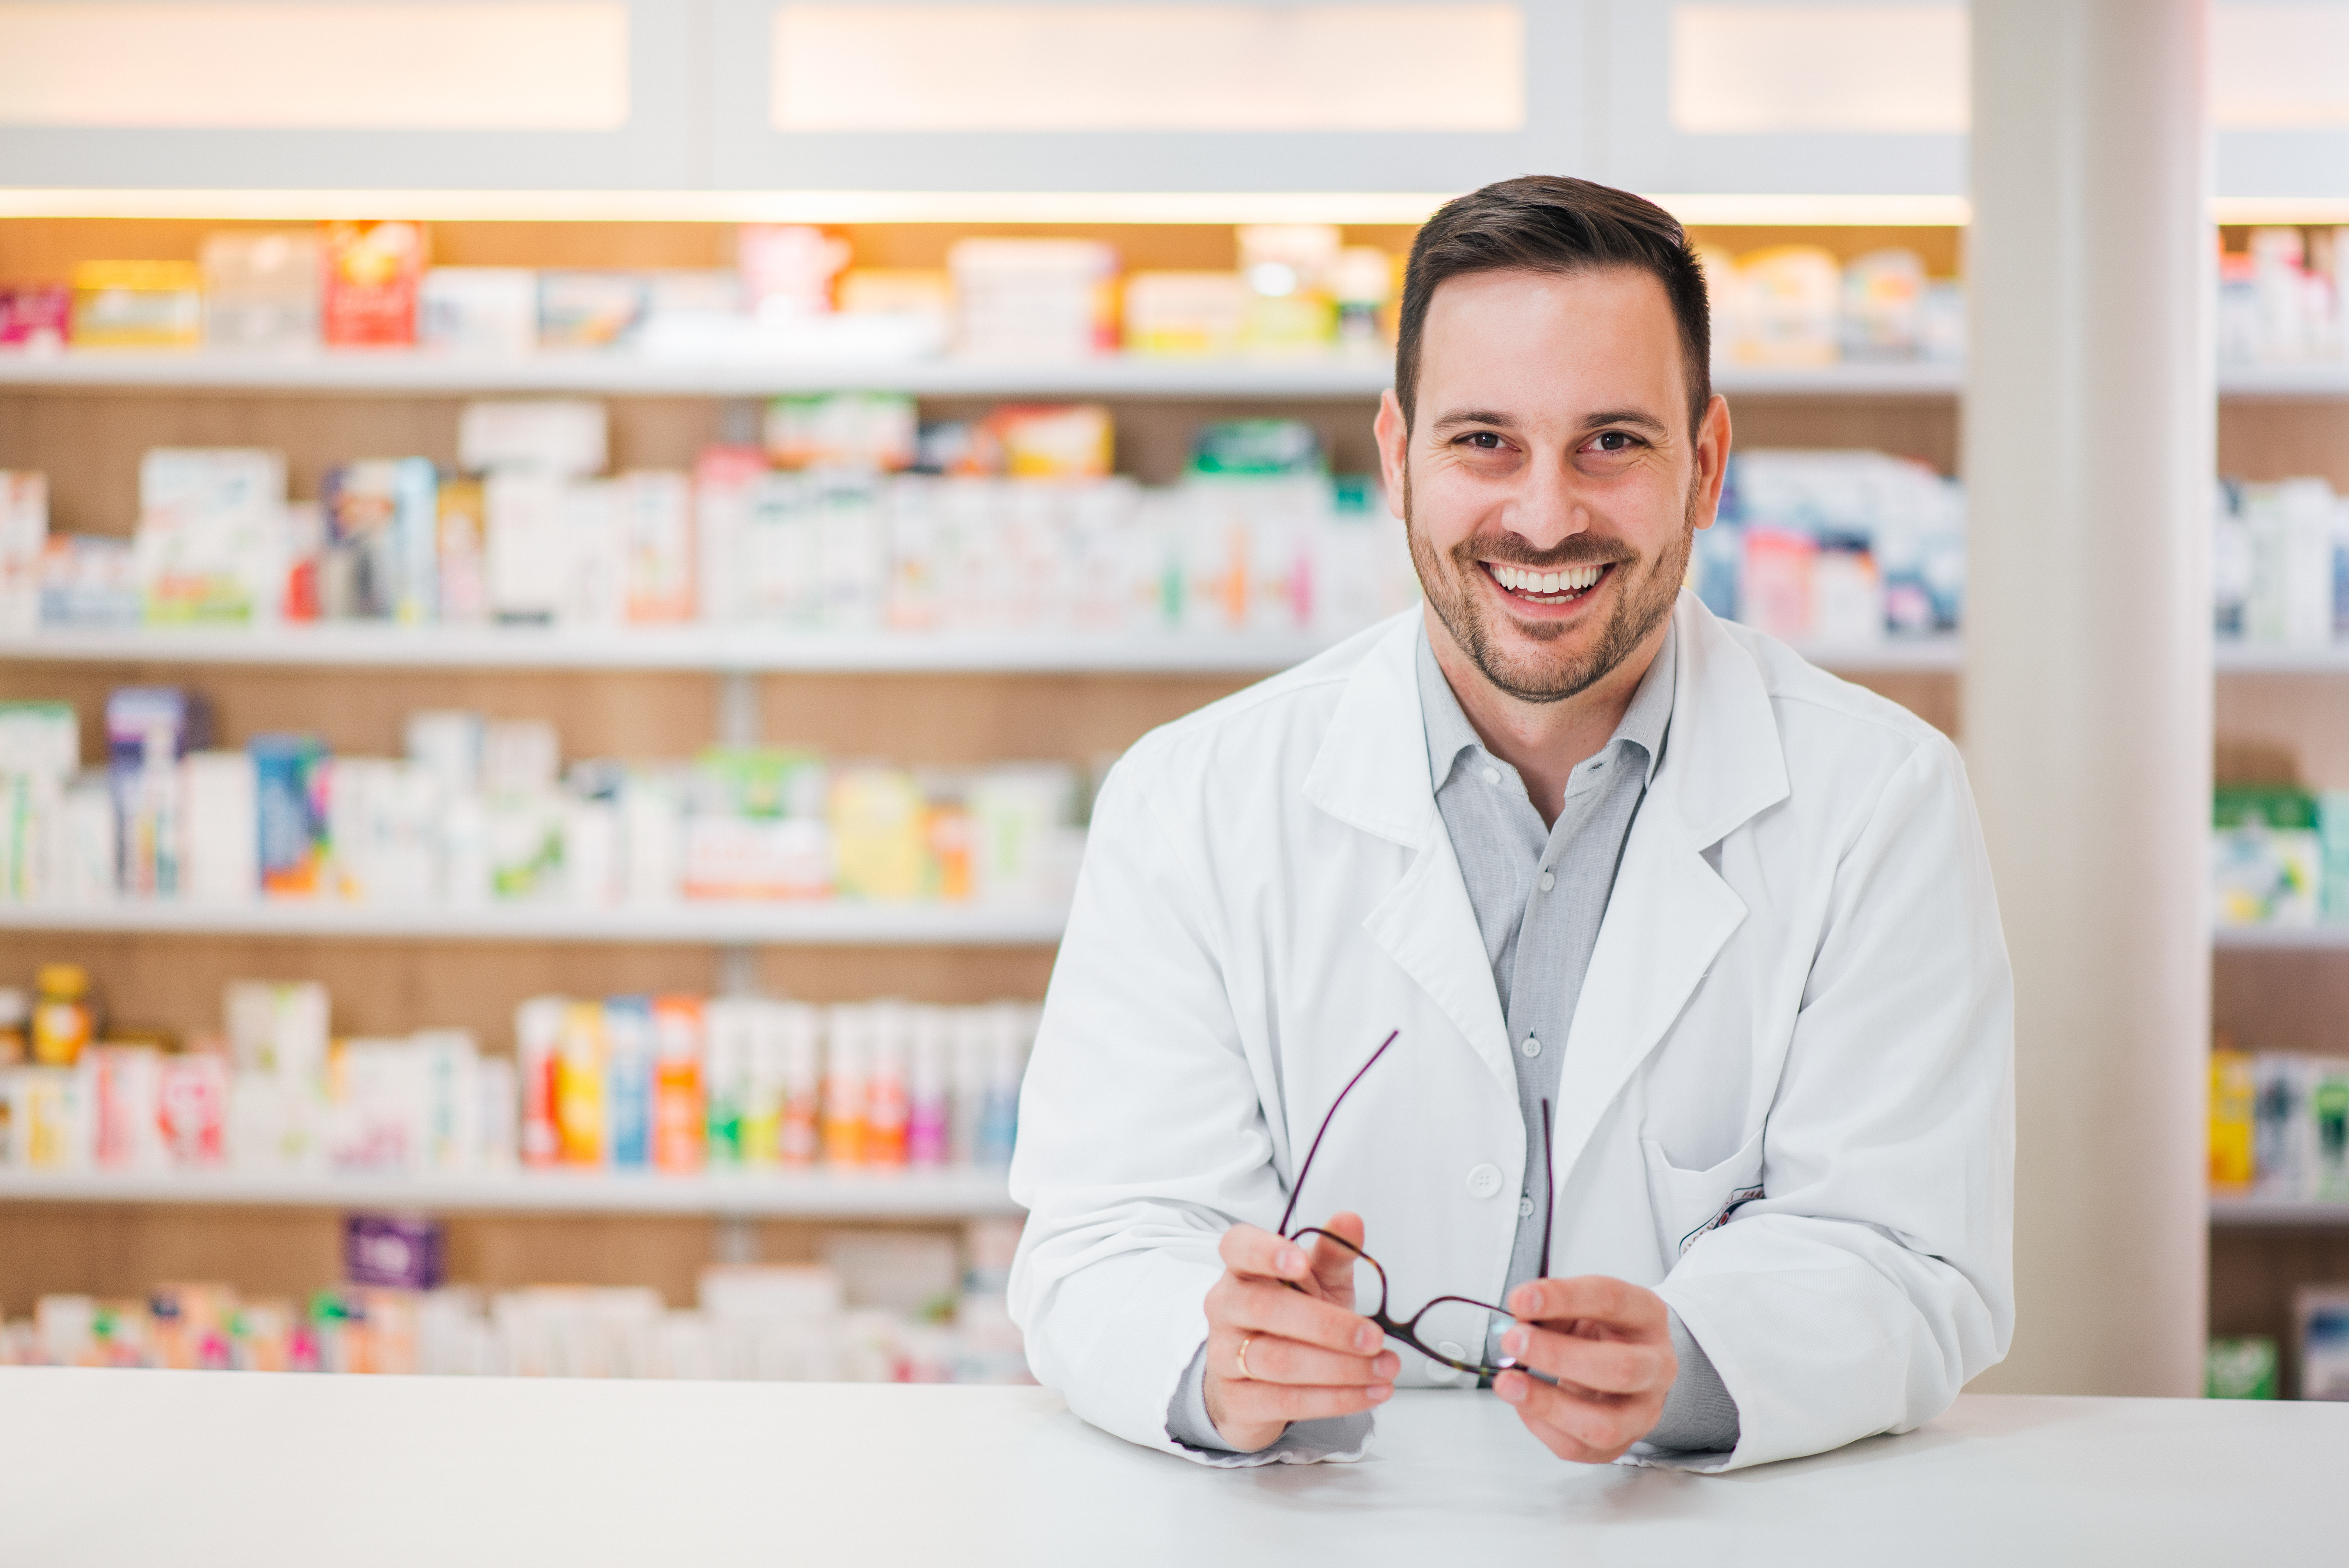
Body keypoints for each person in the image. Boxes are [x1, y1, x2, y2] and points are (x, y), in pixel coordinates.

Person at [1006, 175, 2013, 1472]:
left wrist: (1698, 1360)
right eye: (1485, 441)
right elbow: (1103, 1236)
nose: (1544, 516)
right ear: (1396, 455)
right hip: (1312, 1527)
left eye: (1613, 443)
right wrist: (1221, 1359)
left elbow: (1907, 1248)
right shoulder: (1192, 798)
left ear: (1704, 464)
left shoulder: (1882, 799)